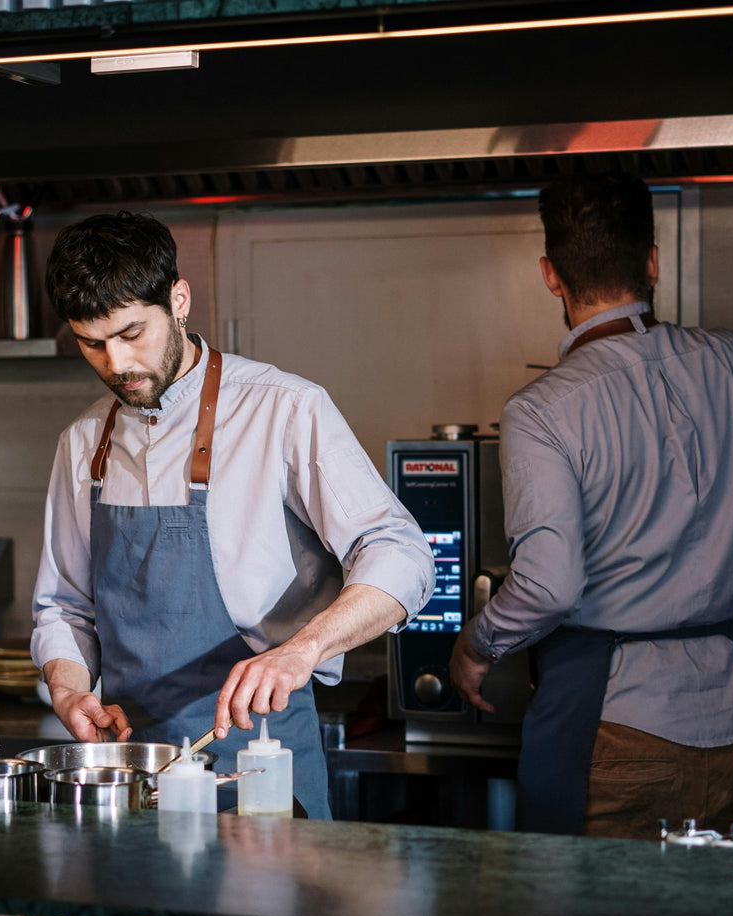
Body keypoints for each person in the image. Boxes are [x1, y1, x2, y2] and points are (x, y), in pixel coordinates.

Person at [450, 172, 733, 839]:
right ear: (653, 263)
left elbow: (550, 587)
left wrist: (476, 644)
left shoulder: (540, 412)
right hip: (731, 731)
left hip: (613, 733)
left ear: (551, 275)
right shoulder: (732, 363)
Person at [32, 211, 434, 819]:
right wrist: (68, 688)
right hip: (132, 770)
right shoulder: (82, 441)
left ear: (179, 299)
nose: (117, 365)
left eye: (132, 333)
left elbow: (400, 553)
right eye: (93, 343)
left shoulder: (285, 409)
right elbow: (63, 606)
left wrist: (301, 650)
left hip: (260, 756)